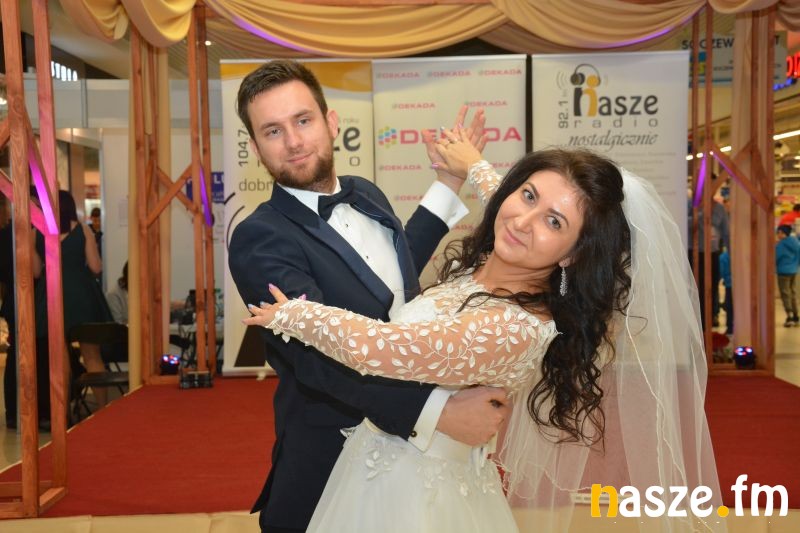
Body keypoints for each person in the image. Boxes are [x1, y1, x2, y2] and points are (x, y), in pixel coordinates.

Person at [246, 136, 723, 532]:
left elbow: (378, 349)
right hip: (378, 471)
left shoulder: (511, 326)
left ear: (573, 253)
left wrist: (291, 315)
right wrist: (472, 164)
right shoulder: (497, 268)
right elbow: (504, 201)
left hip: (413, 501)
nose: (523, 221)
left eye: (554, 222)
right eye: (528, 195)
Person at [228, 59, 509, 533]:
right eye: (273, 131)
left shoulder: (365, 193)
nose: (293, 141)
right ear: (255, 148)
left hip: (417, 461)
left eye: (303, 120)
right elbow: (319, 358)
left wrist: (448, 183)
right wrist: (436, 414)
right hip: (332, 460)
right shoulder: (260, 238)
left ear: (331, 122)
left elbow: (392, 279)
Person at [34, 190, 112, 408]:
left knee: (59, 359)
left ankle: (64, 412)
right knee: (92, 355)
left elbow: (35, 271)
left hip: (51, 296)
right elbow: (95, 267)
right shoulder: (83, 230)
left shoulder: (37, 232)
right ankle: (103, 409)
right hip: (82, 296)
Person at [775, 224, 800, 327]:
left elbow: (775, 258)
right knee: (793, 293)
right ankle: (796, 316)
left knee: (785, 294)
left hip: (783, 272)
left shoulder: (781, 245)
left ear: (782, 233)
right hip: (794, 271)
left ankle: (789, 317)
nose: (777, 235)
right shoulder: (796, 242)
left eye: (778, 232)